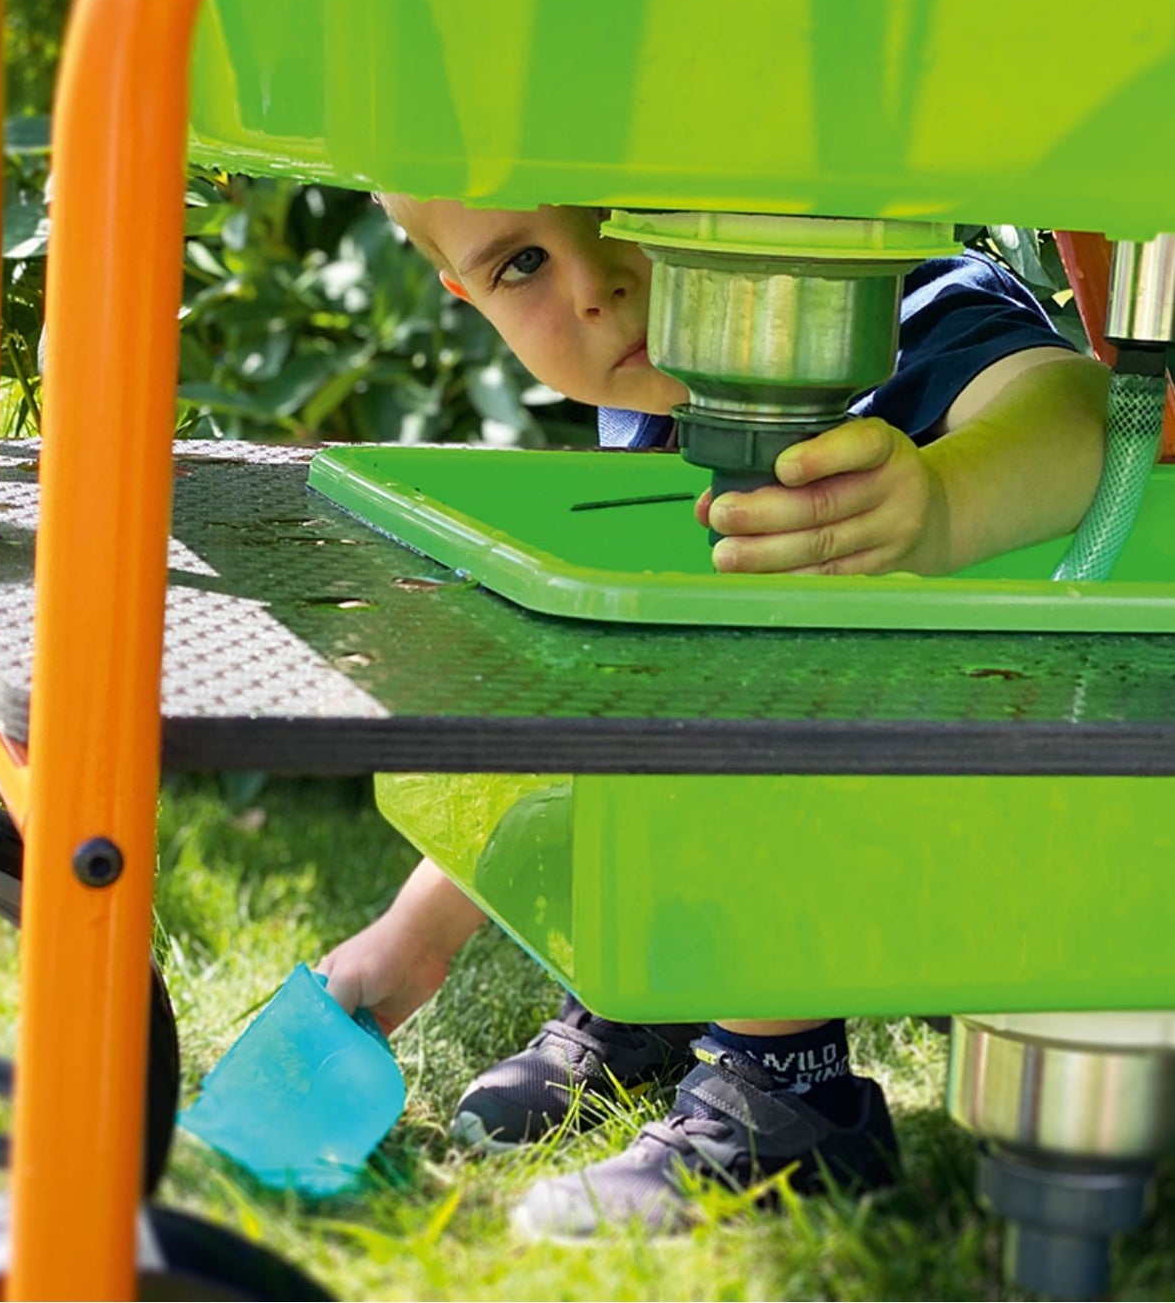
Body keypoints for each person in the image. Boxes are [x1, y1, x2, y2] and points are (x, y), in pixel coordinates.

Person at [320, 198, 1109, 1240]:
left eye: (629, 207)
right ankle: (659, 993)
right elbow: (609, 718)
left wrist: (943, 500)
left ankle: (787, 1095)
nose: (595, 284)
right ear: (466, 296)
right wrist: (415, 938)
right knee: (631, 670)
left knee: (745, 652)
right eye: (522, 264)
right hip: (872, 827)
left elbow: (1079, 409)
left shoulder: (871, 304)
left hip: (1025, 817)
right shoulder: (651, 415)